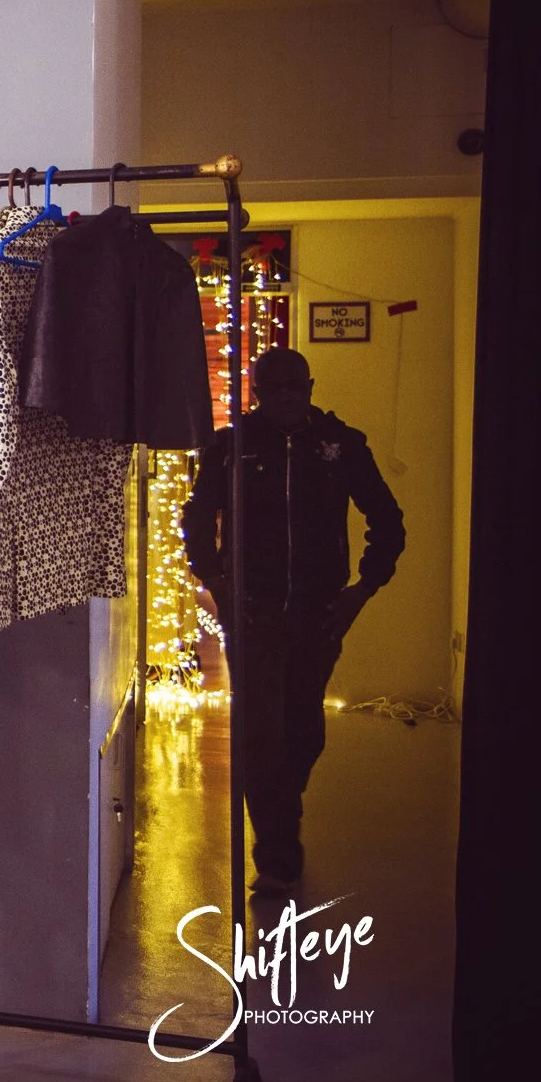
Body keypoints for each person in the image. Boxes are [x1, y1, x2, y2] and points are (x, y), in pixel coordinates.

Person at [184, 346, 405, 896]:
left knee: (302, 729)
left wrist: (361, 592)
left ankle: (283, 801)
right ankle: (278, 857)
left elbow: (387, 519)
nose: (284, 397)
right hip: (253, 614)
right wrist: (219, 585)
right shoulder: (232, 447)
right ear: (256, 392)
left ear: (310, 386)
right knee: (260, 735)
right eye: (271, 388)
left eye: (294, 387)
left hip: (319, 615)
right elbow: (195, 517)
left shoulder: (340, 446)